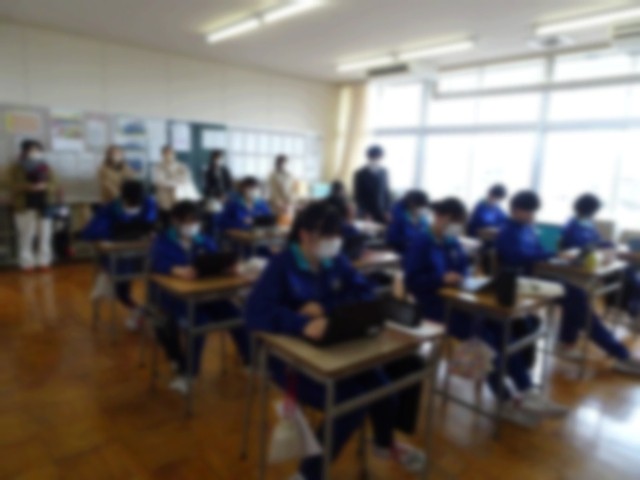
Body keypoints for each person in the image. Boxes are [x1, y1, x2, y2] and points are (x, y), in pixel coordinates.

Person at [245, 202, 426, 480]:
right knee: (350, 404)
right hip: (292, 360)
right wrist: (300, 322)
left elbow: (365, 292)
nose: (335, 242)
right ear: (305, 235)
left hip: (340, 345)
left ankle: (383, 444)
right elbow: (255, 313)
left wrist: (326, 307)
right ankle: (308, 474)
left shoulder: (335, 260)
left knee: (386, 393)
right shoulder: (281, 265)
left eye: (336, 235)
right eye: (328, 236)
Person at [404, 198, 566, 421]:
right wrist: (440, 278)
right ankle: (505, 400)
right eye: (454, 222)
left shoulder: (451, 241)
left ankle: (527, 390)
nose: (456, 228)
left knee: (502, 326)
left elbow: (463, 268)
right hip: (434, 305)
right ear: (440, 217)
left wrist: (462, 277)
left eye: (459, 224)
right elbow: (411, 282)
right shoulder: (421, 242)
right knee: (483, 336)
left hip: (461, 299)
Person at [496, 191, 640, 376]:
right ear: (515, 210)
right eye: (529, 211)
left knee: (577, 295)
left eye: (534, 212)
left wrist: (557, 256)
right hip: (519, 282)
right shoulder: (506, 231)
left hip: (536, 276)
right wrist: (552, 255)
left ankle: (573, 344)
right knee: (575, 297)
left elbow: (538, 251)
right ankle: (618, 353)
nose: (532, 216)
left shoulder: (528, 228)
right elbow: (516, 257)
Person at [150, 200, 250, 393]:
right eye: (188, 221)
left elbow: (215, 259)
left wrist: (228, 268)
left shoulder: (203, 240)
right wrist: (175, 269)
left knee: (237, 315)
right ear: (175, 221)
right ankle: (190, 374)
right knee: (198, 322)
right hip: (175, 299)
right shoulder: (162, 242)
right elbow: (156, 264)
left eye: (196, 221)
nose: (193, 226)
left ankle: (249, 360)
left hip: (206, 295)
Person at [82, 180, 157, 330]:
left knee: (157, 279)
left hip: (142, 254)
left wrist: (151, 233)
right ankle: (137, 309)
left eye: (137, 202)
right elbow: (93, 231)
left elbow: (151, 223)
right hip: (119, 256)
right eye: (131, 203)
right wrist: (111, 235)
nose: (134, 205)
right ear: (123, 198)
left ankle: (153, 311)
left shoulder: (148, 203)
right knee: (121, 289)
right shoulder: (111, 208)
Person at [8, 139, 58, 272]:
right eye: (32, 150)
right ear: (24, 151)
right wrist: (28, 187)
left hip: (45, 204)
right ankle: (26, 262)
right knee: (26, 235)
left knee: (45, 234)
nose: (35, 152)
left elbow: (54, 183)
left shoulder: (46, 166)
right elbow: (11, 184)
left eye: (38, 150)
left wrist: (45, 186)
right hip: (25, 205)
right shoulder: (16, 167)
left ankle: (44, 261)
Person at [153, 145, 201, 224]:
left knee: (180, 222)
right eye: (166, 153)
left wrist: (171, 180)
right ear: (162, 154)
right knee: (167, 223)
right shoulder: (158, 167)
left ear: (174, 154)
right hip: (165, 202)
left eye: (170, 153)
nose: (168, 155)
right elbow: (161, 182)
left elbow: (187, 178)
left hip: (180, 201)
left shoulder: (181, 166)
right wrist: (177, 181)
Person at [353, 145, 392, 223]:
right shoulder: (360, 173)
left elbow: (386, 192)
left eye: (378, 157)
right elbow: (358, 195)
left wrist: (387, 211)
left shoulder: (384, 172)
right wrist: (364, 212)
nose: (376, 159)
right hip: (366, 213)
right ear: (368, 157)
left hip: (382, 212)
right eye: (374, 157)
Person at [386, 190, 430, 254]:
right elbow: (393, 237)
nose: (420, 209)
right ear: (412, 203)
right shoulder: (398, 215)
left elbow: (426, 231)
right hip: (402, 248)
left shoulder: (421, 216)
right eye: (419, 206)